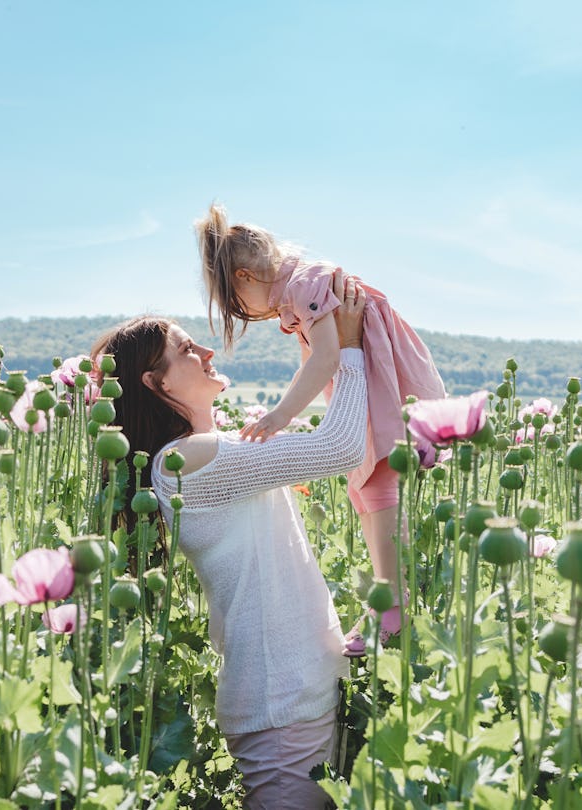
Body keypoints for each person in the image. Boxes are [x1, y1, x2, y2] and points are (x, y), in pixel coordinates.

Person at [91, 271, 367, 810]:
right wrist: (349, 346)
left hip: (293, 691)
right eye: (185, 348)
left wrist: (318, 337)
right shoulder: (185, 461)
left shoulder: (209, 451)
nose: (207, 349)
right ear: (156, 383)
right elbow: (340, 449)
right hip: (282, 699)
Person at [195, 204, 446, 655]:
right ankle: (385, 601)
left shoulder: (305, 285)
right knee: (366, 489)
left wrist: (281, 416)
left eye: (241, 308)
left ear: (245, 279)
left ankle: (393, 608)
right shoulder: (301, 288)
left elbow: (327, 358)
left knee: (380, 484)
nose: (258, 316)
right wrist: (293, 406)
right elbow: (314, 362)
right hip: (371, 383)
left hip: (383, 385)